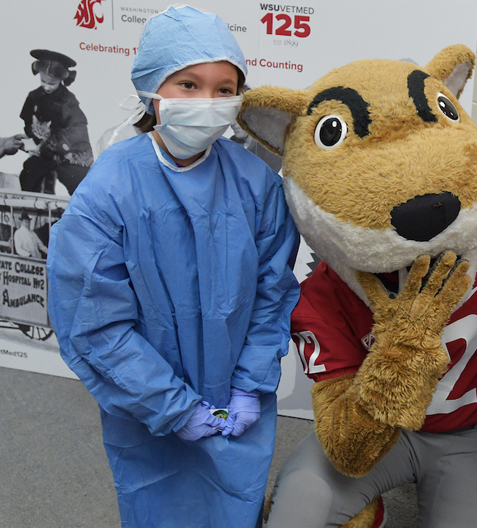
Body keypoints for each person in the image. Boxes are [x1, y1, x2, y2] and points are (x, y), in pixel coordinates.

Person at [46, 5, 300, 528]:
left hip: (237, 400)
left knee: (236, 506)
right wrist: (172, 407)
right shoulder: (109, 189)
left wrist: (249, 385)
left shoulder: (257, 183)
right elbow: (93, 323)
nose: (208, 102)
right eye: (188, 84)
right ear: (151, 90)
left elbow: (272, 292)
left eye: (224, 88)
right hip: (149, 415)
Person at [19, 49, 93, 195]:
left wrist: (54, 144)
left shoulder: (68, 101)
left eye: (51, 83)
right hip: (43, 152)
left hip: (68, 151)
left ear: (61, 80)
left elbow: (78, 129)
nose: (46, 86)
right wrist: (32, 139)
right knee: (29, 174)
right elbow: (28, 121)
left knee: (79, 182)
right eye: (43, 81)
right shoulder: (34, 97)